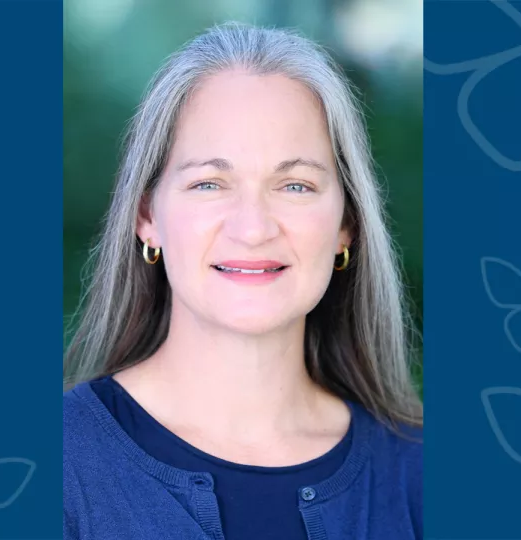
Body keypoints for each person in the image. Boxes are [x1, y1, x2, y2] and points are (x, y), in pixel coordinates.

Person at [63, 21, 423, 540]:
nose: (253, 229)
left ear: (347, 224)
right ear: (147, 216)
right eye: (209, 183)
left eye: (295, 185)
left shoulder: (418, 476)